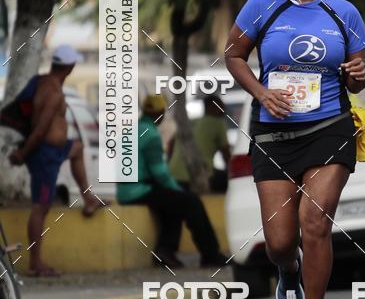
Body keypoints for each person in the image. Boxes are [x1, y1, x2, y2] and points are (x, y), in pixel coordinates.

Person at [225, 0, 365, 299]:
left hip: (329, 128)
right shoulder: (263, 5)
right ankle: (288, 271)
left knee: (315, 222)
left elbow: (359, 76)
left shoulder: (343, 12)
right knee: (280, 240)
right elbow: (233, 56)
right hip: (274, 133)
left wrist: (358, 75)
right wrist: (262, 92)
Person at [8, 45, 101, 277]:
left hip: (56, 149)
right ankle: (35, 263)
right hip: (44, 153)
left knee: (77, 148)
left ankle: (89, 199)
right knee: (41, 206)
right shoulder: (53, 92)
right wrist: (24, 153)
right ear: (69, 67)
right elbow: (40, 128)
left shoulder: (44, 82)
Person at [116, 94, 228, 269]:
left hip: (126, 190)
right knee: (191, 202)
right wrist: (177, 189)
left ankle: (165, 251)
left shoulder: (134, 129)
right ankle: (210, 254)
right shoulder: (151, 134)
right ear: (160, 114)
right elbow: (160, 172)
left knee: (174, 204)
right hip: (139, 189)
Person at [168, 96, 231, 193]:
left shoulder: (190, 122)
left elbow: (171, 143)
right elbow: (226, 154)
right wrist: (231, 172)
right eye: (220, 106)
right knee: (228, 181)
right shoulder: (218, 123)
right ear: (210, 106)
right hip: (197, 175)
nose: (223, 109)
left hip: (174, 174)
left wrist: (170, 163)